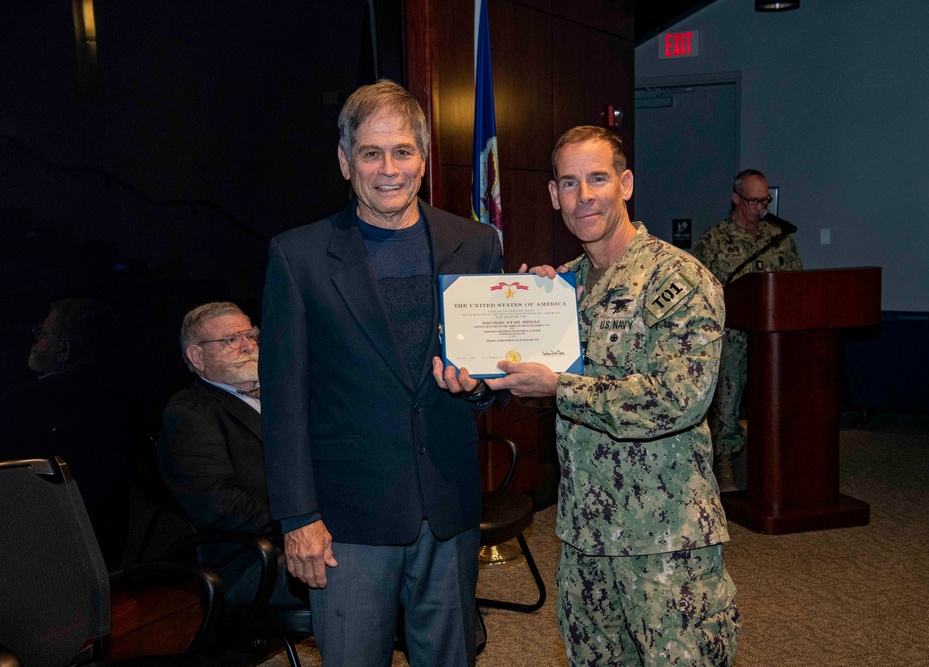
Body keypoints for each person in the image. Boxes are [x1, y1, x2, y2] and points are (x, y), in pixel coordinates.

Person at [259, 79, 502, 667]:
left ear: (423, 159)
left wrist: (480, 389)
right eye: (371, 153)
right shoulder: (298, 256)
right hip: (347, 519)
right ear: (345, 162)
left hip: (448, 502)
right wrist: (298, 518)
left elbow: (491, 378)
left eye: (402, 152)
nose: (388, 168)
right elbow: (285, 400)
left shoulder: (474, 243)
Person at [485, 126, 739, 665]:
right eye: (570, 183)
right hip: (584, 537)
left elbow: (679, 399)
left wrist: (561, 386)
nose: (585, 196)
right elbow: (538, 394)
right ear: (554, 196)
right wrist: (511, 355)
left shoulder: (679, 279)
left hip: (665, 538)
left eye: (598, 179)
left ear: (625, 184)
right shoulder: (560, 290)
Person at [156, 301, 307, 606]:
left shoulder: (286, 391)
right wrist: (302, 521)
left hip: (314, 530)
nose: (248, 345)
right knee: (361, 565)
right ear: (197, 356)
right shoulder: (190, 412)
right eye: (230, 340)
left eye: (251, 336)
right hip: (254, 559)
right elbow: (219, 505)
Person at [0, 297, 140, 569]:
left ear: (64, 349)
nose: (35, 341)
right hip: (108, 544)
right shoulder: (126, 397)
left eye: (42, 334)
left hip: (36, 548)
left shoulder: (27, 403)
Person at [692, 169, 803, 491]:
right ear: (736, 199)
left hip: (773, 340)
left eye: (765, 200)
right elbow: (702, 292)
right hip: (731, 338)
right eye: (753, 201)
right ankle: (724, 462)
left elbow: (794, 285)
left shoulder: (778, 238)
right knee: (727, 402)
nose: (760, 208)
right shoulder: (713, 240)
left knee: (777, 400)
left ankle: (777, 461)